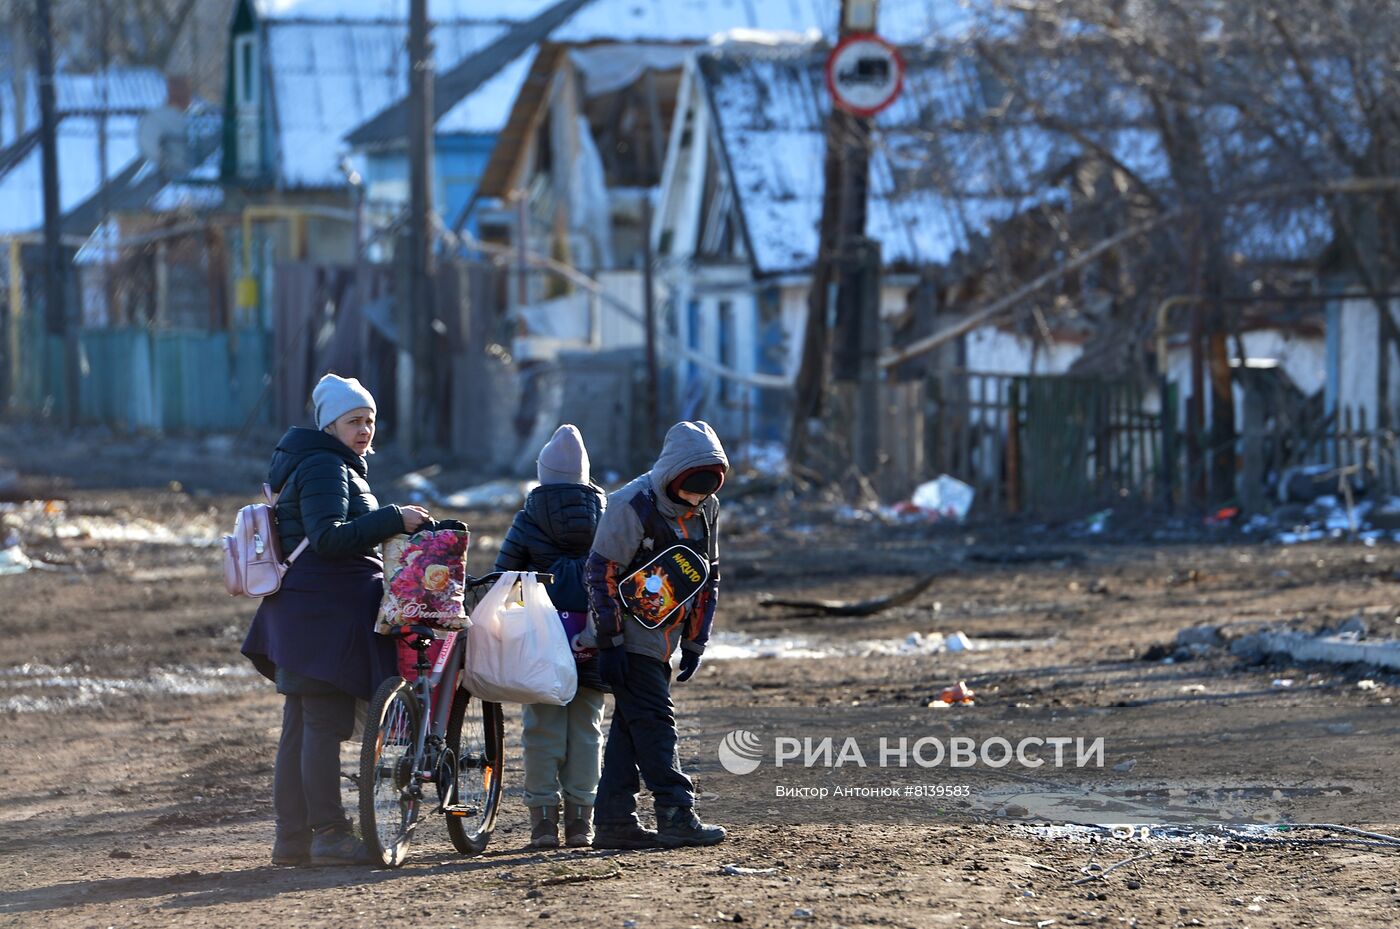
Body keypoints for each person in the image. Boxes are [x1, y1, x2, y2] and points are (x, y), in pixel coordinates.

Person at [241, 374, 430, 867]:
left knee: (301, 729)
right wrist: (393, 519)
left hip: (304, 613)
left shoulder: (320, 462)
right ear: (330, 424)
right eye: (353, 421)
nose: (364, 428)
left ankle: (293, 840)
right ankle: (328, 835)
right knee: (320, 725)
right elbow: (328, 537)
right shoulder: (325, 464)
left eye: (369, 420)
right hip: (322, 615)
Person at [584, 421, 729, 849]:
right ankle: (676, 813)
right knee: (656, 725)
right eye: (690, 492)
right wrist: (609, 641)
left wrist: (696, 641)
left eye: (704, 493)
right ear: (673, 479)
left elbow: (708, 574)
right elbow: (600, 573)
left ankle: (613, 822)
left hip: (666, 636)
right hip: (629, 636)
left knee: (632, 728)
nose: (696, 501)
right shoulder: (630, 505)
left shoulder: (708, 508)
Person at [494, 424, 608, 848]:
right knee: (587, 728)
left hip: (540, 640)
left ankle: (543, 821)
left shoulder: (528, 518)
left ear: (543, 473)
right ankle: (582, 822)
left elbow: (504, 579)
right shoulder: (607, 515)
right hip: (594, 636)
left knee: (541, 727)